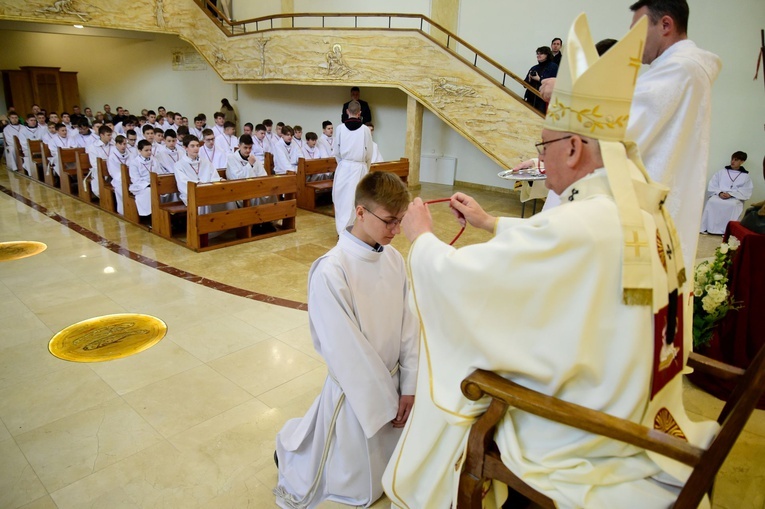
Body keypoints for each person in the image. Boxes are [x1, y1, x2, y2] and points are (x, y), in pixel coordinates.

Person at [383, 15, 718, 509]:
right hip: (643, 405)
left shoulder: (580, 224)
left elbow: (470, 283)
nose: (542, 160)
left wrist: (423, 241)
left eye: (545, 147)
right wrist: (492, 224)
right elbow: (563, 249)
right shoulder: (642, 211)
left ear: (576, 147)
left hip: (587, 431)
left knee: (474, 397)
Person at [539, 0, 721, 271]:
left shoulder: (682, 68)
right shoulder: (676, 69)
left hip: (642, 211)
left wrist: (568, 90)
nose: (631, 41)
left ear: (666, 25)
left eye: (637, 30)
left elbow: (615, 124)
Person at [274, 171, 418, 509]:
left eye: (401, 220)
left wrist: (409, 385)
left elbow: (410, 325)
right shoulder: (332, 271)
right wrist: (386, 403)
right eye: (389, 220)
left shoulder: (394, 258)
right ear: (361, 212)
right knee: (354, 479)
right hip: (361, 393)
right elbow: (346, 352)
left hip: (394, 385)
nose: (396, 230)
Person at [332, 101, 373, 235]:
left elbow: (336, 151)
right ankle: (350, 231)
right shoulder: (365, 130)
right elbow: (369, 153)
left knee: (341, 200)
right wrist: (365, 168)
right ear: (360, 113)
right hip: (359, 167)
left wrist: (343, 164)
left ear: (347, 112)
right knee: (355, 200)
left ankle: (342, 231)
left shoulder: (339, 128)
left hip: (344, 167)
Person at [700, 151, 753, 234]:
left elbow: (746, 190)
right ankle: (707, 228)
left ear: (742, 162)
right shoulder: (721, 172)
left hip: (734, 198)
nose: (732, 161)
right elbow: (713, 185)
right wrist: (720, 193)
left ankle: (727, 231)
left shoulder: (745, 177)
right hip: (719, 195)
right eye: (732, 159)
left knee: (733, 205)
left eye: (736, 160)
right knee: (712, 201)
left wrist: (731, 194)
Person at [174, 135, 222, 206]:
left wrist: (218, 181)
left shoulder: (205, 162)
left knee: (225, 199)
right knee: (205, 200)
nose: (196, 148)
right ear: (185, 147)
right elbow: (182, 183)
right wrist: (200, 186)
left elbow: (214, 177)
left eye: (197, 145)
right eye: (192, 146)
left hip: (207, 191)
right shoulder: (179, 165)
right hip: (190, 194)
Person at [523, 46, 558, 114]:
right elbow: (524, 84)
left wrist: (539, 79)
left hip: (543, 99)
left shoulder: (553, 67)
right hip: (531, 97)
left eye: (541, 54)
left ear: (547, 55)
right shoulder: (534, 67)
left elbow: (552, 84)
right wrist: (529, 79)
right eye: (537, 54)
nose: (538, 55)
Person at [128, 140, 157, 219]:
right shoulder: (135, 162)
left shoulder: (154, 159)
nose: (149, 152)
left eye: (150, 150)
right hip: (140, 186)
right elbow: (135, 179)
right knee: (148, 192)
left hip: (154, 183)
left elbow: (159, 171)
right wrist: (147, 183)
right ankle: (148, 216)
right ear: (140, 150)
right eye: (146, 150)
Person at [107, 134, 133, 215]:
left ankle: (134, 211)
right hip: (118, 180)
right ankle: (123, 211)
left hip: (131, 178)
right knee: (121, 188)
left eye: (124, 144)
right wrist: (125, 178)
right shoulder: (112, 157)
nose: (123, 146)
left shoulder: (130, 155)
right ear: (116, 144)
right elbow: (113, 172)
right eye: (120, 144)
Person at [86, 125, 114, 198]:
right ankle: (104, 196)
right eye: (108, 135)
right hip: (100, 170)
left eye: (111, 135)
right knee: (98, 174)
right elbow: (94, 163)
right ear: (101, 135)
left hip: (113, 169)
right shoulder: (93, 147)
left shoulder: (113, 145)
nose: (110, 137)